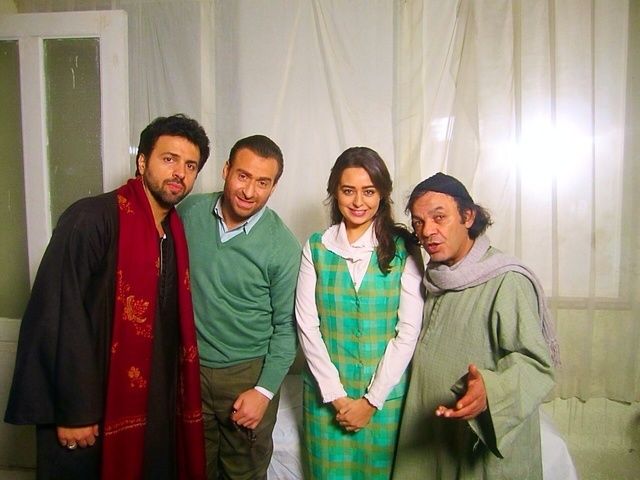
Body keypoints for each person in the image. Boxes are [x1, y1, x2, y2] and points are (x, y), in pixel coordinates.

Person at [4, 114, 211, 480]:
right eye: (169, 159)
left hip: (150, 406)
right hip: (88, 410)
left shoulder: (173, 232)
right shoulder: (91, 218)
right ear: (142, 161)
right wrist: (74, 411)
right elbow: (59, 315)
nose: (179, 172)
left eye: (190, 165)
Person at [392, 172, 560, 479]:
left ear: (468, 216)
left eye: (439, 217)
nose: (427, 231)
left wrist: (489, 392)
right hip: (431, 436)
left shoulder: (506, 281)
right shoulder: (433, 278)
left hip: (476, 444)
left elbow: (537, 365)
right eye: (418, 222)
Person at [295, 147, 425, 479]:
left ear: (382, 194)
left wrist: (371, 401)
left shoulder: (403, 249)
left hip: (384, 400)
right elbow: (307, 326)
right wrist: (337, 397)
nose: (358, 201)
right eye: (348, 190)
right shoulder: (317, 247)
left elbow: (408, 331)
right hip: (326, 401)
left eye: (368, 191)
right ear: (334, 192)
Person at [177, 134, 300, 480]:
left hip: (247, 373)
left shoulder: (283, 247)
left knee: (243, 474)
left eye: (263, 182)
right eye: (243, 176)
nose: (249, 191)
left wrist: (263, 391)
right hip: (190, 367)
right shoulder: (189, 213)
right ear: (226, 170)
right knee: (192, 467)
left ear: (274, 187)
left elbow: (287, 328)